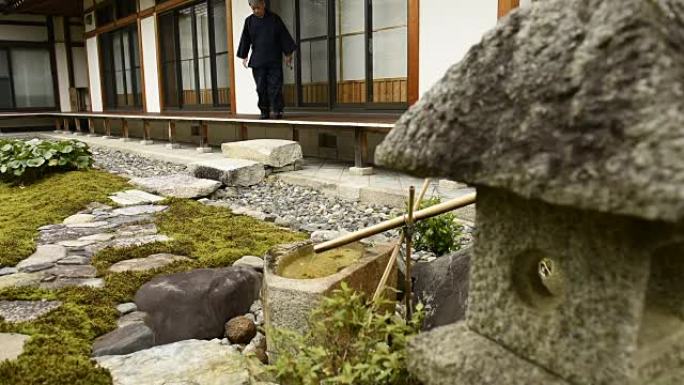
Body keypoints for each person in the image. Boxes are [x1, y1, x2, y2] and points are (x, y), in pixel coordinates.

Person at [237, 0, 296, 119]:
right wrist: (244, 55)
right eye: (253, 8)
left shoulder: (274, 19)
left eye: (258, 7)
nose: (256, 11)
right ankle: (264, 111)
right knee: (261, 88)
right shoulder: (249, 21)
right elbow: (245, 39)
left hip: (274, 59)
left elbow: (283, 36)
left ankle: (277, 110)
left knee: (275, 86)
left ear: (263, 4)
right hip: (258, 60)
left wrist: (288, 54)